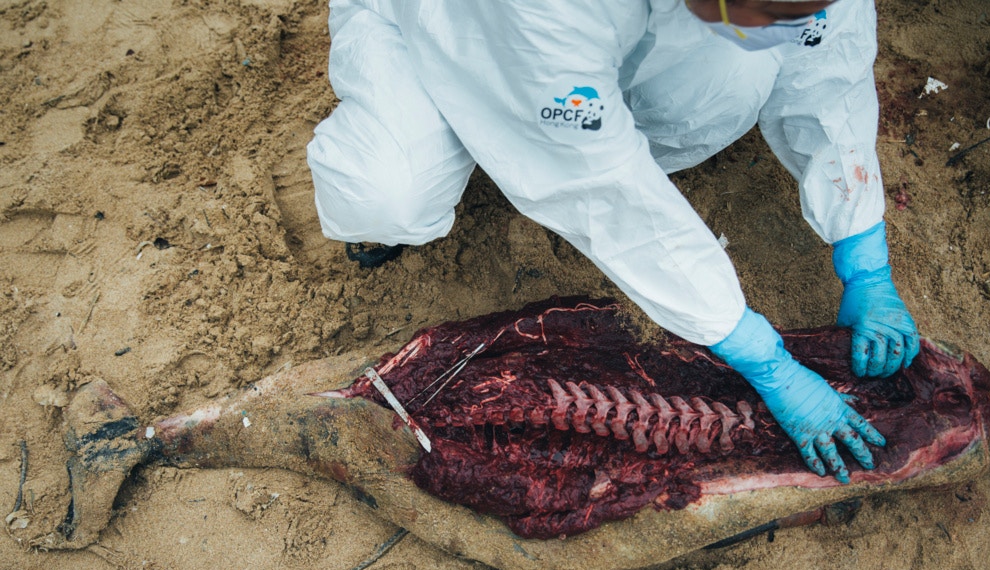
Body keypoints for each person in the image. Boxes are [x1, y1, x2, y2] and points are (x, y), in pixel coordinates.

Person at [306, 0, 920, 482]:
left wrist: (864, 256)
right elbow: (604, 191)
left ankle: (580, 109)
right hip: (452, 23)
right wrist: (766, 360)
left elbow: (827, 64)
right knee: (387, 193)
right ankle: (437, 162)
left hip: (596, 41)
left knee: (733, 78)